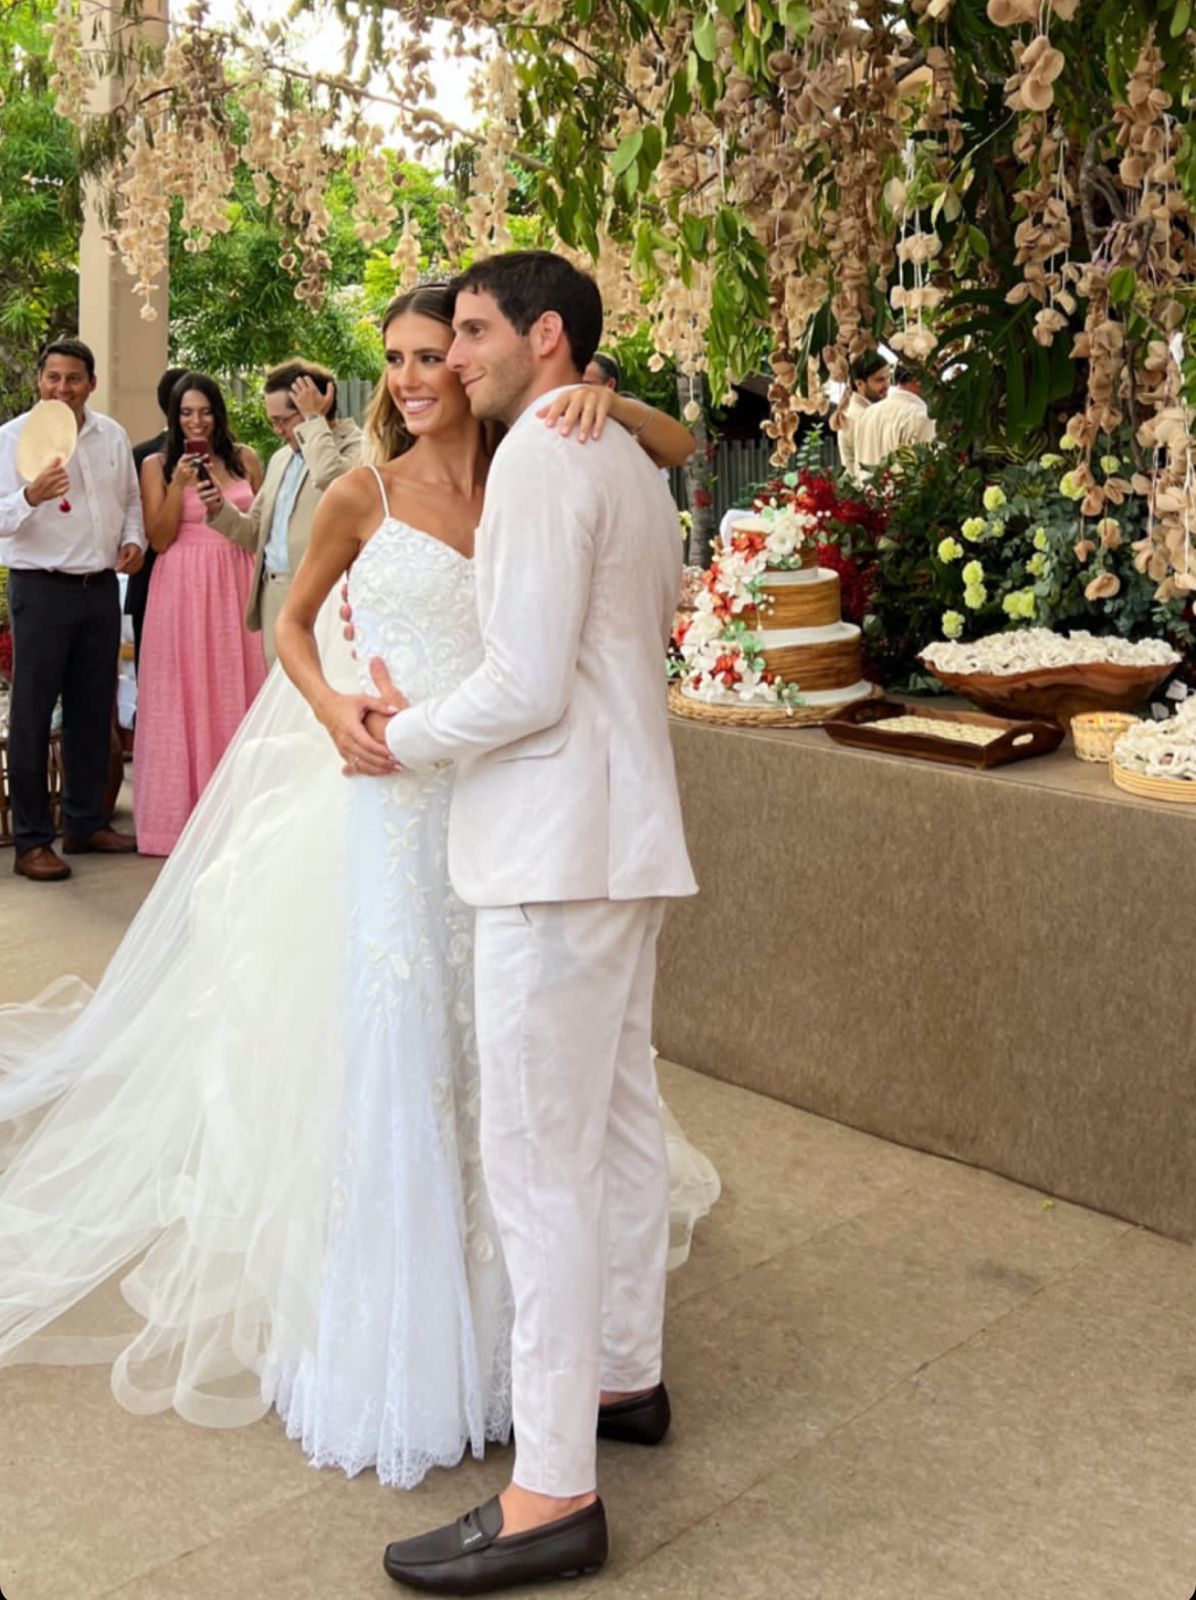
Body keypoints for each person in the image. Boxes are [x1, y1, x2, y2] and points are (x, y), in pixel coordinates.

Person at [0, 284, 714, 1499]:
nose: (415, 375)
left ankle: (523, 1351)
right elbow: (289, 622)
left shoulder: (544, 461)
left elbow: (663, 459)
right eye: (396, 358)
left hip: (501, 799)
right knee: (413, 1052)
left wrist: (608, 390)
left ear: (500, 357)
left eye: (440, 350)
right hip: (398, 799)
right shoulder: (359, 493)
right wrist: (337, 709)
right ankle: (413, 1343)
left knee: (511, 1086)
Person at [344, 252, 697, 1596]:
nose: (456, 353)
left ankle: (552, 1489)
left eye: (477, 331)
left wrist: (404, 735)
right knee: (613, 1120)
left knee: (538, 1162)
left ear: (546, 338)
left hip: (553, 848)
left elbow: (527, 685)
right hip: (622, 838)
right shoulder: (619, 457)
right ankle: (624, 1376)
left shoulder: (548, 459)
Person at [0, 338, 145, 882]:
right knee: (34, 716)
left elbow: (130, 501)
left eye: (74, 378)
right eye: (53, 377)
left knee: (92, 711)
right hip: (42, 589)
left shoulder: (111, 436)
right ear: (40, 380)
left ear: (91, 383)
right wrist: (29, 497)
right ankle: (33, 840)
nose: (63, 387)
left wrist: (135, 542)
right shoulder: (11, 440)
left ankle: (85, 822)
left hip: (101, 587)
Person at [134, 372, 266, 855]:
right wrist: (178, 486)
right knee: (181, 694)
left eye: (205, 411)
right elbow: (160, 538)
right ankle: (178, 822)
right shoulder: (156, 464)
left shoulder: (246, 458)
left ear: (219, 413)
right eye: (186, 413)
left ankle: (241, 817)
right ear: (173, 417)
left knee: (237, 687)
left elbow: (262, 528)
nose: (197, 421)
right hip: (182, 587)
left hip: (235, 578)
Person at [202, 360, 362, 667]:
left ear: (315, 404)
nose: (277, 431)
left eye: (283, 421)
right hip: (273, 597)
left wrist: (314, 420)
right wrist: (219, 509)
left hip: (323, 599)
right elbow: (255, 534)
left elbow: (332, 480)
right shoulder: (280, 459)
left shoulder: (358, 448)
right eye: (272, 422)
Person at [126, 366, 187, 673]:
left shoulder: (232, 458)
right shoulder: (145, 458)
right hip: (153, 582)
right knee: (155, 678)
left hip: (214, 584)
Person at [853, 361, 937, 478]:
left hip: (867, 494)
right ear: (919, 379)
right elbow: (927, 476)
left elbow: (858, 470)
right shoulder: (922, 417)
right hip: (901, 495)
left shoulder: (867, 414)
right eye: (934, 376)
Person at [833, 351, 890, 484]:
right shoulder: (859, 417)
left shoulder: (860, 412)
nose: (887, 385)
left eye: (888, 378)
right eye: (879, 380)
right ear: (859, 384)